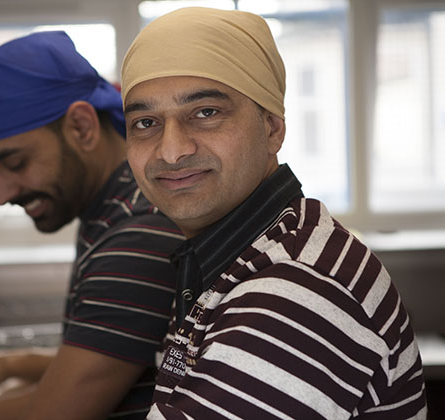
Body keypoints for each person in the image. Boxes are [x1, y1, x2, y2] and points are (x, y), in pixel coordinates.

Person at [120, 7, 427, 419]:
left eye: (206, 112)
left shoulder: (293, 292)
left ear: (272, 128)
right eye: (145, 122)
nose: (171, 149)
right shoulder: (249, 255)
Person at [0, 31, 184, 420]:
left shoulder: (137, 234)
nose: (0, 194)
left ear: (82, 127)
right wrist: (10, 366)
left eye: (14, 163)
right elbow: (110, 357)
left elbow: (55, 413)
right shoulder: (112, 211)